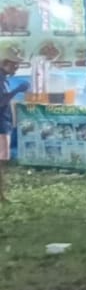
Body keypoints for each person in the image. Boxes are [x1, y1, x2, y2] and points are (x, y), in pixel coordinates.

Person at [0, 57, 25, 202]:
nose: (16, 67)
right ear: (5, 63)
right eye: (14, 64)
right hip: (1, 124)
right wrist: (18, 90)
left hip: (4, 123)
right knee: (1, 161)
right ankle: (2, 195)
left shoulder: (4, 79)